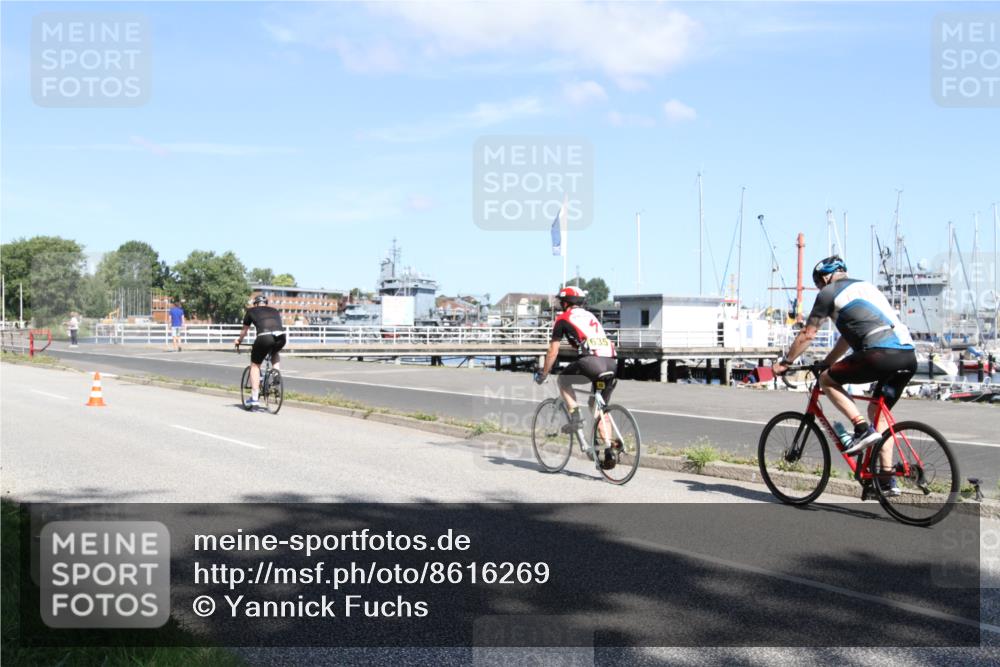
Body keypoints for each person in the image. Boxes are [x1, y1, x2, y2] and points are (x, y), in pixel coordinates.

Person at [773, 256, 917, 496]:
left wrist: (785, 363)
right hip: (907, 356)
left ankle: (860, 429)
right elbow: (846, 339)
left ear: (823, 278)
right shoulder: (867, 287)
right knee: (879, 416)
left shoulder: (829, 293)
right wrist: (828, 362)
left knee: (827, 380)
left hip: (880, 353)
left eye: (818, 284)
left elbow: (808, 334)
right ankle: (886, 478)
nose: (819, 289)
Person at [535, 286, 620, 468]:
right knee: (598, 407)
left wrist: (543, 373)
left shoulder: (563, 319)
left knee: (563, 380)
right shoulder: (591, 316)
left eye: (561, 302)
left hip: (591, 363)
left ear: (566, 303)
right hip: (611, 363)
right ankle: (608, 449)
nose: (560, 306)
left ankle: (575, 417)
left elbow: (552, 351)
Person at [233, 295, 286, 409]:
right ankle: (276, 374)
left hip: (264, 337)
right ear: (265, 304)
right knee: (274, 352)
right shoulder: (274, 310)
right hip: (281, 337)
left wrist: (239, 340)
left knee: (255, 366)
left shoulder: (251, 311)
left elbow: (244, 331)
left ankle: (254, 398)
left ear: (256, 304)